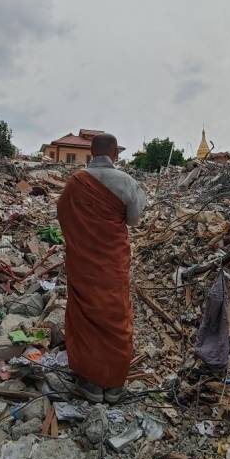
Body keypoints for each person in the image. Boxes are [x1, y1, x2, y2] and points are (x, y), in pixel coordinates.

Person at [57, 132, 146, 404]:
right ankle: (114, 385)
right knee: (115, 315)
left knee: (86, 317)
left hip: (84, 264)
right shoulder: (128, 183)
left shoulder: (75, 183)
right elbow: (134, 220)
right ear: (115, 154)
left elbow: (64, 214)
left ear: (91, 152)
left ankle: (90, 385)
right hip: (112, 265)